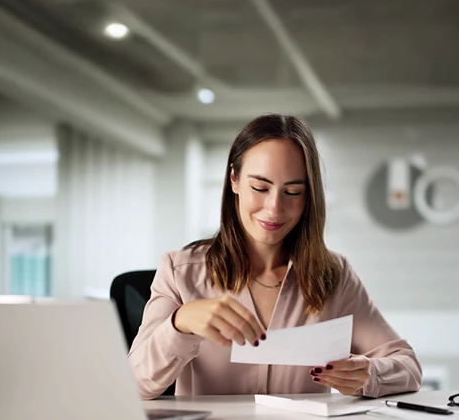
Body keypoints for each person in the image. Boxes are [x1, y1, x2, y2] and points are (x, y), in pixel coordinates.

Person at [128, 114, 422, 400]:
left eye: (293, 192)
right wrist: (180, 323)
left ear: (309, 197)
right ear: (234, 180)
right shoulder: (179, 271)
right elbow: (135, 386)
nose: (274, 208)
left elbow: (407, 365)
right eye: (260, 187)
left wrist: (369, 374)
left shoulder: (334, 275)